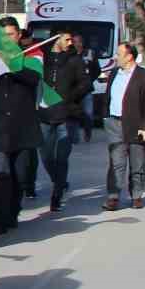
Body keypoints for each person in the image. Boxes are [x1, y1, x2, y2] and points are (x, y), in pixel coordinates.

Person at [0, 16, 43, 235]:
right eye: (3, 35)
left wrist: (12, 64)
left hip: (22, 128)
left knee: (19, 176)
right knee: (0, 176)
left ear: (18, 36)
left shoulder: (31, 57)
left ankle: (13, 212)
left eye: (11, 34)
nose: (7, 39)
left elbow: (34, 79)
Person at [38, 32, 91, 213]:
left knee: (61, 158)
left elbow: (86, 84)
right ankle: (58, 181)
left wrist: (69, 97)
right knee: (46, 156)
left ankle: (57, 194)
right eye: (67, 39)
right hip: (44, 115)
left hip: (66, 116)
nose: (71, 43)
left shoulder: (74, 60)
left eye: (72, 40)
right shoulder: (42, 58)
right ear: (56, 40)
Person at [102, 42, 145, 211]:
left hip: (136, 124)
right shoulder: (114, 73)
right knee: (116, 162)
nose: (116, 57)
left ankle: (136, 196)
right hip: (114, 123)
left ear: (129, 56)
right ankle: (113, 196)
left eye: (119, 54)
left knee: (137, 162)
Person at [73, 33, 99, 143]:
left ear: (82, 42)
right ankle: (74, 136)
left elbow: (97, 70)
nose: (76, 44)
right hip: (73, 90)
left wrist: (89, 80)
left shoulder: (89, 53)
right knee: (73, 113)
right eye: (74, 42)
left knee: (88, 114)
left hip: (86, 90)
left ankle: (87, 133)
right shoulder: (69, 54)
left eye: (79, 41)